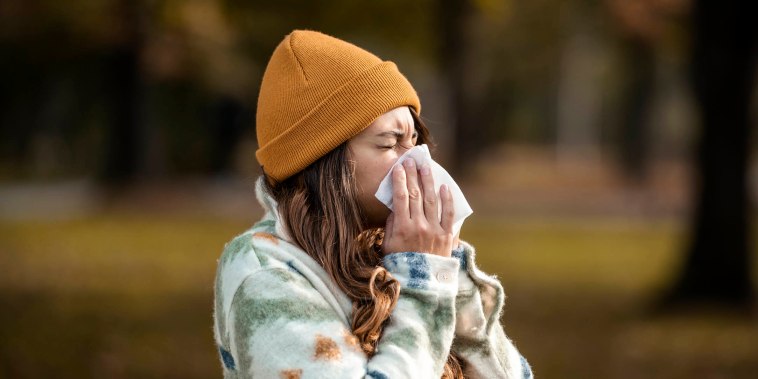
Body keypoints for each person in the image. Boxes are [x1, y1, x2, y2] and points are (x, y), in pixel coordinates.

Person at [212, 29, 533, 379]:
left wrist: (446, 270)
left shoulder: (393, 247)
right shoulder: (265, 270)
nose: (418, 162)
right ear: (323, 162)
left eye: (415, 141)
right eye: (389, 143)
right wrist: (422, 280)